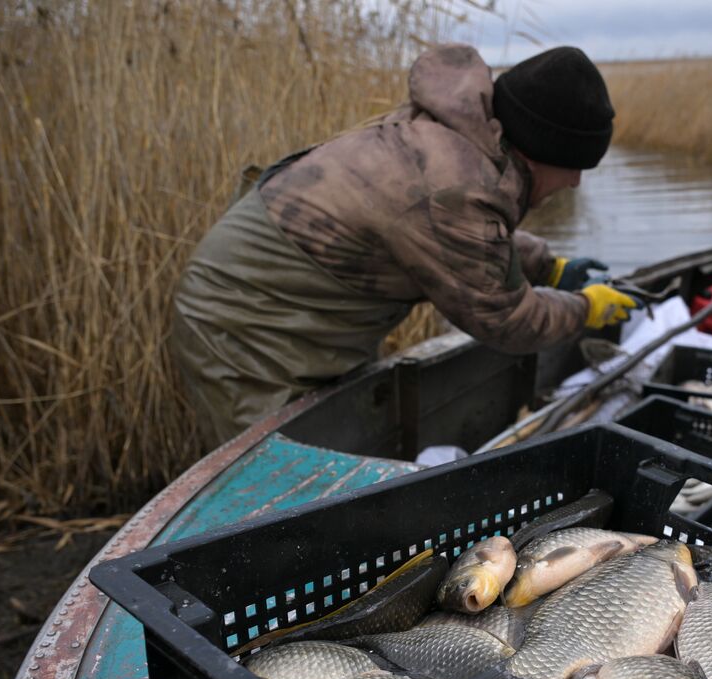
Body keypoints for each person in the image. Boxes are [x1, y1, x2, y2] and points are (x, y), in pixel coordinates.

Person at [172, 44, 635, 444]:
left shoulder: (461, 140)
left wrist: (547, 267)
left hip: (303, 314)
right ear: (539, 148)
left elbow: (468, 236)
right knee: (275, 492)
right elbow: (507, 320)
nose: (574, 183)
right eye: (573, 167)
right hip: (245, 327)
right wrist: (585, 309)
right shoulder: (453, 185)